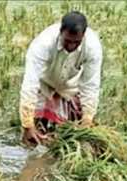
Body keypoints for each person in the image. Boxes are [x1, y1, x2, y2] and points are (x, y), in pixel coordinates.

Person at [19, 11, 103, 145]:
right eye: (67, 41)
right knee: (35, 136)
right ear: (60, 32)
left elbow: (90, 86)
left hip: (69, 87)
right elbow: (30, 84)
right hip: (44, 83)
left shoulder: (92, 47)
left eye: (76, 42)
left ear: (84, 35)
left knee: (70, 134)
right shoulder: (43, 43)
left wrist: (87, 120)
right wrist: (27, 125)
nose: (71, 46)